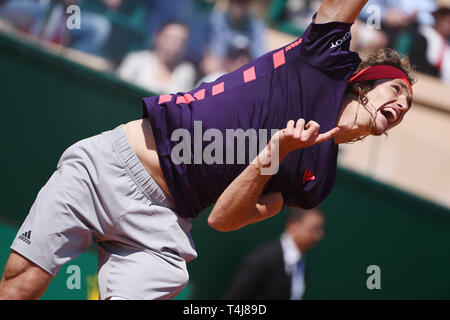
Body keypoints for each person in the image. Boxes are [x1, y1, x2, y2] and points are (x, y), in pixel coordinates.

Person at [0, 0, 415, 300]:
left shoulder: (317, 180)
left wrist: (274, 153)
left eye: (408, 106)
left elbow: (224, 219)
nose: (401, 104)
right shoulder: (321, 59)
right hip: (111, 165)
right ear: (366, 81)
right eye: (397, 88)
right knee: (22, 283)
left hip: (163, 225)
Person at [223, 208, 325, 300]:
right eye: (314, 229)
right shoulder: (263, 259)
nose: (319, 236)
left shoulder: (301, 265)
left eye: (320, 229)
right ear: (292, 225)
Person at [116, 20, 196, 94]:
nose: (175, 45)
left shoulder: (186, 72)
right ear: (157, 37)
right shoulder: (136, 60)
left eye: (181, 41)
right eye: (170, 38)